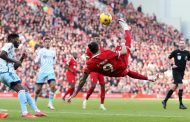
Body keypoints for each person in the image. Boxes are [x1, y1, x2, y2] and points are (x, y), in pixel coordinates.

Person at [68, 19, 156, 101]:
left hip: (115, 74)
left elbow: (82, 80)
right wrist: (122, 45)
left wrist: (75, 92)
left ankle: (148, 78)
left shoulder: (89, 64)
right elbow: (124, 51)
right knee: (125, 45)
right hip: (121, 66)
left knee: (128, 72)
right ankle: (126, 28)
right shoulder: (106, 53)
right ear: (99, 47)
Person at [0, 33, 47, 118]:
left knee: (24, 90)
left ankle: (37, 111)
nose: (19, 42)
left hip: (8, 72)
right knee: (21, 89)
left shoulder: (11, 50)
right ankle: (25, 113)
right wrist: (15, 60)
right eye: (17, 40)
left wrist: (21, 59)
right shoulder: (9, 44)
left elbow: (14, 67)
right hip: (6, 73)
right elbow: (2, 54)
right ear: (12, 39)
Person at [162, 40, 190, 109]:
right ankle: (180, 104)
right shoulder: (175, 52)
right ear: (179, 44)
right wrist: (172, 65)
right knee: (181, 84)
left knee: (174, 87)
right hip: (176, 71)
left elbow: (189, 60)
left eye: (182, 43)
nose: (181, 44)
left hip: (181, 72)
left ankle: (165, 101)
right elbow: (168, 58)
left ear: (184, 44)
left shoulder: (187, 53)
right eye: (180, 43)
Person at [34, 37, 57, 110]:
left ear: (50, 43)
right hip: (42, 71)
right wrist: (36, 61)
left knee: (53, 86)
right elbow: (36, 60)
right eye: (46, 41)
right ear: (44, 43)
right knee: (38, 89)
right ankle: (35, 101)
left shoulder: (53, 52)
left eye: (48, 41)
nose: (47, 43)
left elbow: (54, 61)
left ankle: (50, 103)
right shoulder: (41, 51)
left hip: (50, 71)